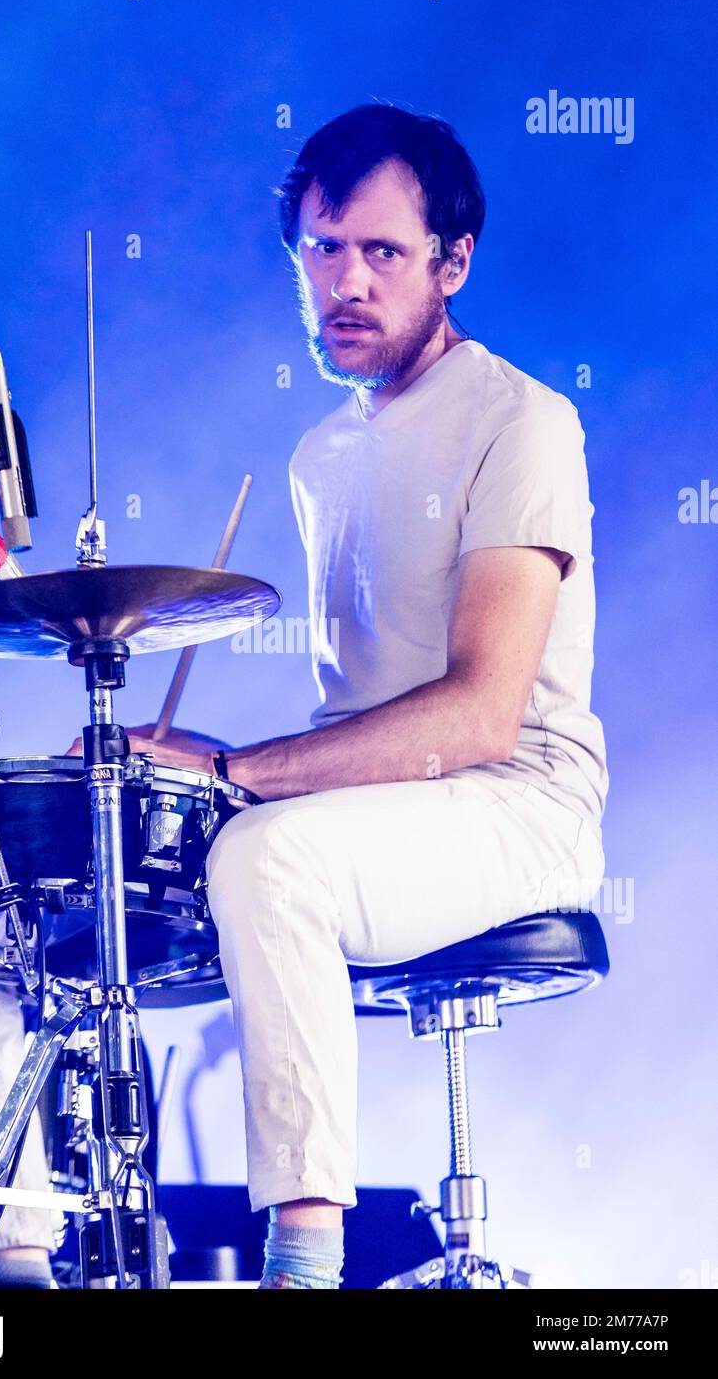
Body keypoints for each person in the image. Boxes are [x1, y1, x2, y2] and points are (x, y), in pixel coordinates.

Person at [117, 103, 609, 1289]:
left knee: (264, 859)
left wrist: (241, 781)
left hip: (518, 801)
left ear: (453, 263)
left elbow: (478, 716)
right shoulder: (316, 457)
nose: (344, 280)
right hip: (391, 805)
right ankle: (16, 1245)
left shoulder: (522, 423)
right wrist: (206, 763)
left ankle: (301, 1262)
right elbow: (359, 733)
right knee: (80, 862)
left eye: (381, 252)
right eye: (320, 250)